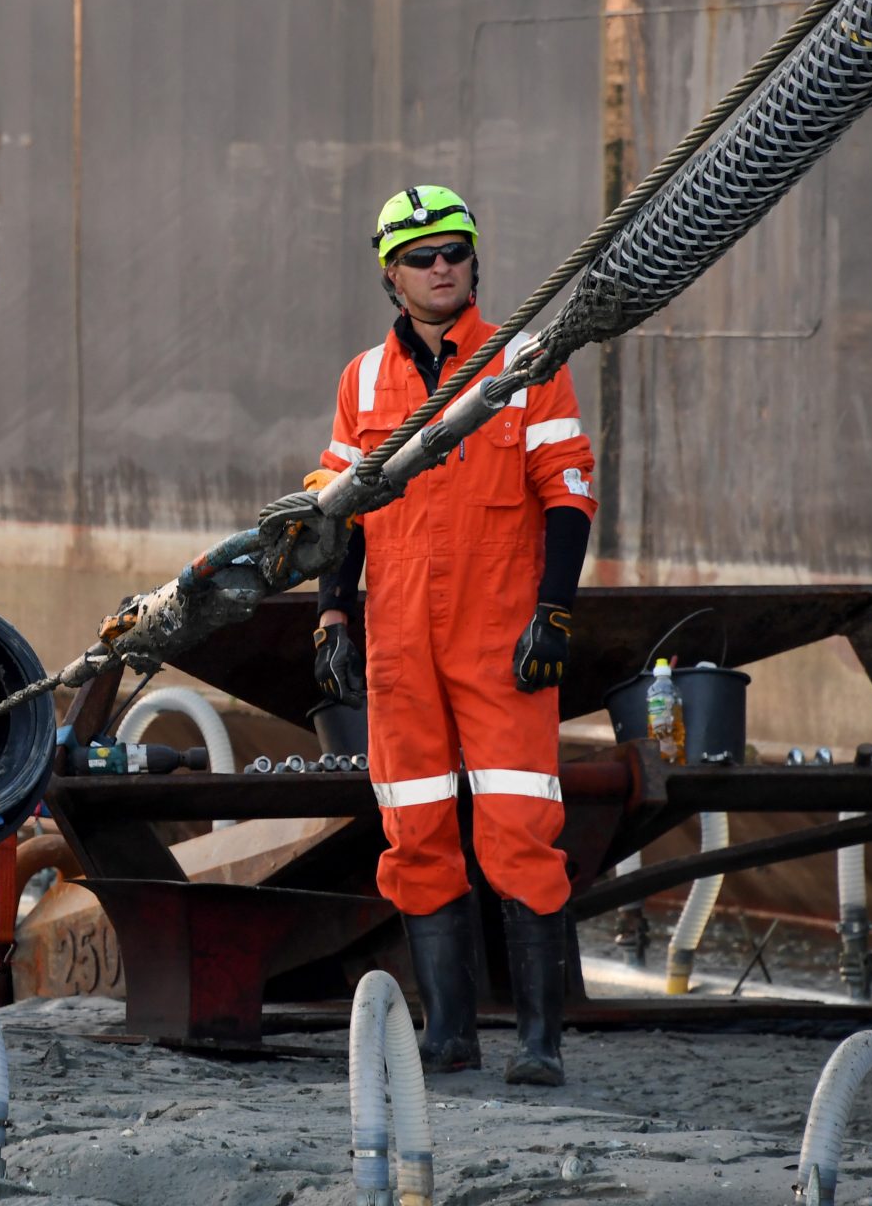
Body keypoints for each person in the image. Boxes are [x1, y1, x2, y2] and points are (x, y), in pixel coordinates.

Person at [309, 185, 596, 1086]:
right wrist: (330, 610)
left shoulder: (525, 363)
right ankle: (449, 1036)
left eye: (456, 252)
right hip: (399, 642)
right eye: (424, 256)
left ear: (474, 262)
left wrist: (553, 609)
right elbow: (337, 509)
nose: (443, 268)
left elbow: (569, 490)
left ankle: (541, 1044)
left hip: (500, 636)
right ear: (392, 275)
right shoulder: (362, 381)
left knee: (519, 828)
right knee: (417, 832)